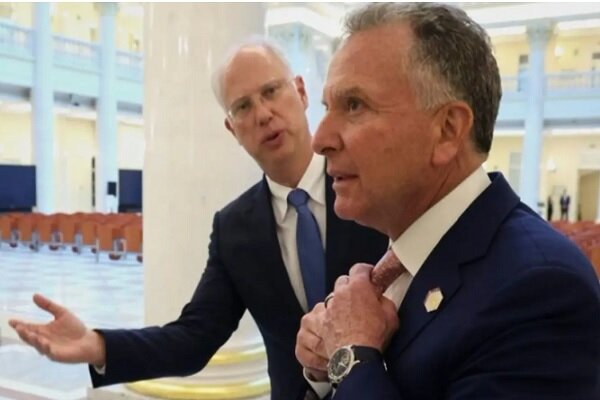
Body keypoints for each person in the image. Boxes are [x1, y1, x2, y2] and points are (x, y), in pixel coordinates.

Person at [9, 39, 388, 400]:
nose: (262, 114)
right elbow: (194, 338)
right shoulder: (234, 228)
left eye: (271, 91)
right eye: (243, 106)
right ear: (232, 129)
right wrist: (98, 345)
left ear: (301, 93)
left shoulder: (370, 184)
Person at [296, 3, 600, 399]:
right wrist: (327, 365)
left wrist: (350, 355)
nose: (320, 140)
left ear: (447, 130)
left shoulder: (541, 288)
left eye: (355, 105)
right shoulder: (395, 254)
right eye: (327, 108)